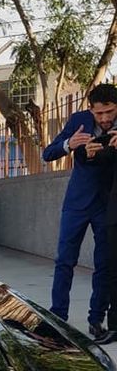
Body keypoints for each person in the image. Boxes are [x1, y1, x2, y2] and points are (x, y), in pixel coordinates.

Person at [42, 83, 117, 338]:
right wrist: (69, 144)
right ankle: (58, 319)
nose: (105, 118)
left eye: (110, 112)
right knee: (64, 261)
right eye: (100, 114)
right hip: (77, 202)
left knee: (104, 264)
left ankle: (96, 322)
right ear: (90, 110)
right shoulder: (79, 120)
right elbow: (47, 153)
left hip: (107, 204)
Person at [77, 130, 117, 344]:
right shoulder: (111, 137)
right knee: (113, 272)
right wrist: (89, 153)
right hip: (113, 214)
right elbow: (100, 157)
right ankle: (115, 325)